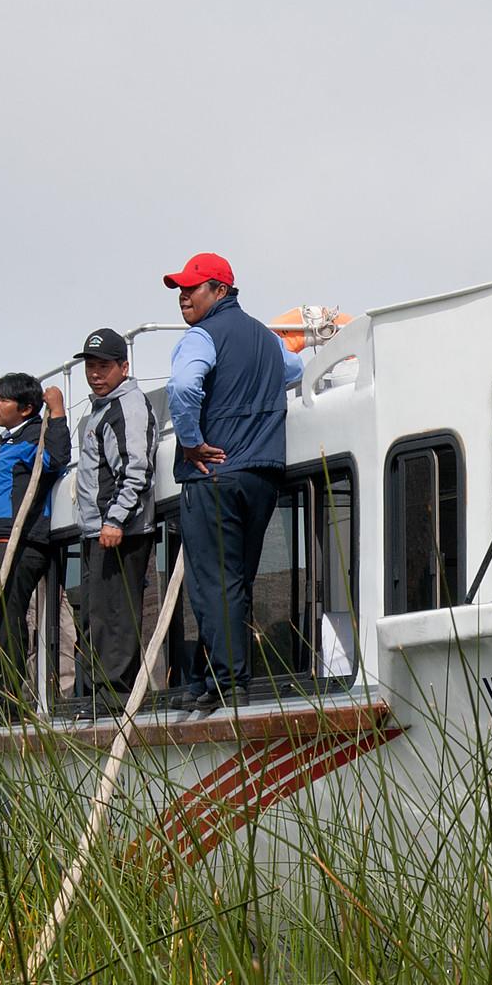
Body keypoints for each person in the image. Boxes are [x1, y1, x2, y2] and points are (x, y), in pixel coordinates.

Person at [161, 253, 303, 711]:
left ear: (220, 291)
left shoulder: (201, 335)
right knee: (236, 582)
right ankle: (206, 678)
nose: (184, 297)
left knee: (210, 584)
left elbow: (183, 388)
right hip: (263, 477)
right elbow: (294, 371)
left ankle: (228, 684)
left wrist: (191, 440)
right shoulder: (265, 337)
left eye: (192, 288)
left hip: (214, 473)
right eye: (181, 289)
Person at [0, 372, 69, 722]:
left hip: (17, 543)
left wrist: (57, 413)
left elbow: (56, 459)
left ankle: (7, 702)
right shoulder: (9, 441)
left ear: (26, 408)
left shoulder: (34, 436)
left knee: (5, 621)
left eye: (3, 399)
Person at [71, 328, 158, 717]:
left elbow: (137, 470)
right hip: (96, 531)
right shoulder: (98, 410)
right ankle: (93, 694)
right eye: (90, 366)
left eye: (104, 366)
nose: (95, 373)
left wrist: (115, 520)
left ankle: (113, 698)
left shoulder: (127, 407)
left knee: (116, 616)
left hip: (119, 532)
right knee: (94, 614)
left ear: (124, 367)